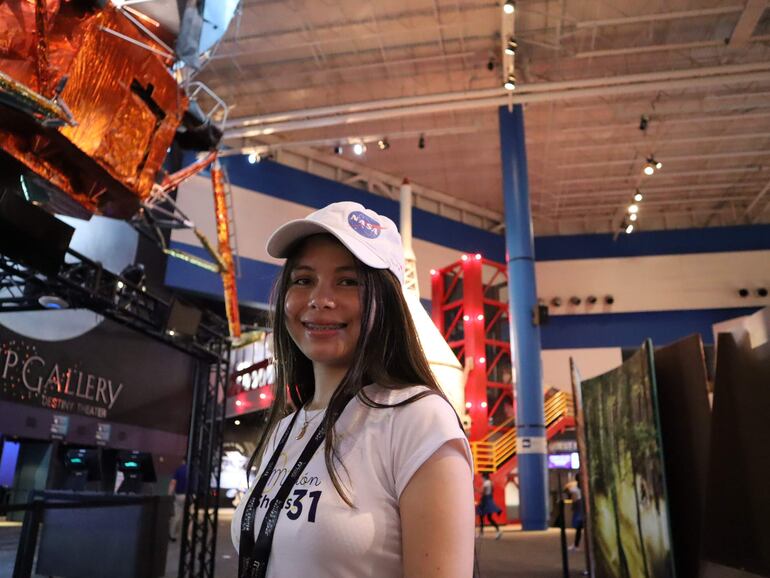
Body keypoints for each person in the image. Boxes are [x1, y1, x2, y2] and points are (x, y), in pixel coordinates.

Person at [231, 202, 475, 578]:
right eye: (303, 279)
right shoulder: (285, 428)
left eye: (347, 282)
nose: (319, 299)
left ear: (387, 302)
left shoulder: (418, 420)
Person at [477, 472, 502, 539]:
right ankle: (498, 530)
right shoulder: (491, 482)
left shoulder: (486, 483)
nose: (482, 479)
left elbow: (483, 492)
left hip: (485, 501)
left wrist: (476, 490)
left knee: (482, 516)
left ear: (484, 477)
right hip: (489, 499)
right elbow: (491, 491)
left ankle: (481, 533)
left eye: (482, 477)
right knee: (489, 518)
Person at [168, 458, 187, 542]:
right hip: (191, 495)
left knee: (177, 515)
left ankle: (173, 535)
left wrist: (169, 494)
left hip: (179, 495)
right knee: (190, 517)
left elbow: (173, 483)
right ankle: (188, 537)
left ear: (183, 461)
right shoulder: (194, 470)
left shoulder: (179, 470)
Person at [564, 473, 585, 550]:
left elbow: (566, 490)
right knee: (580, 526)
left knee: (579, 527)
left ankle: (576, 545)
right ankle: (576, 545)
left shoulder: (575, 487)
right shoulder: (576, 487)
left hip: (580, 506)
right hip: (580, 506)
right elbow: (566, 490)